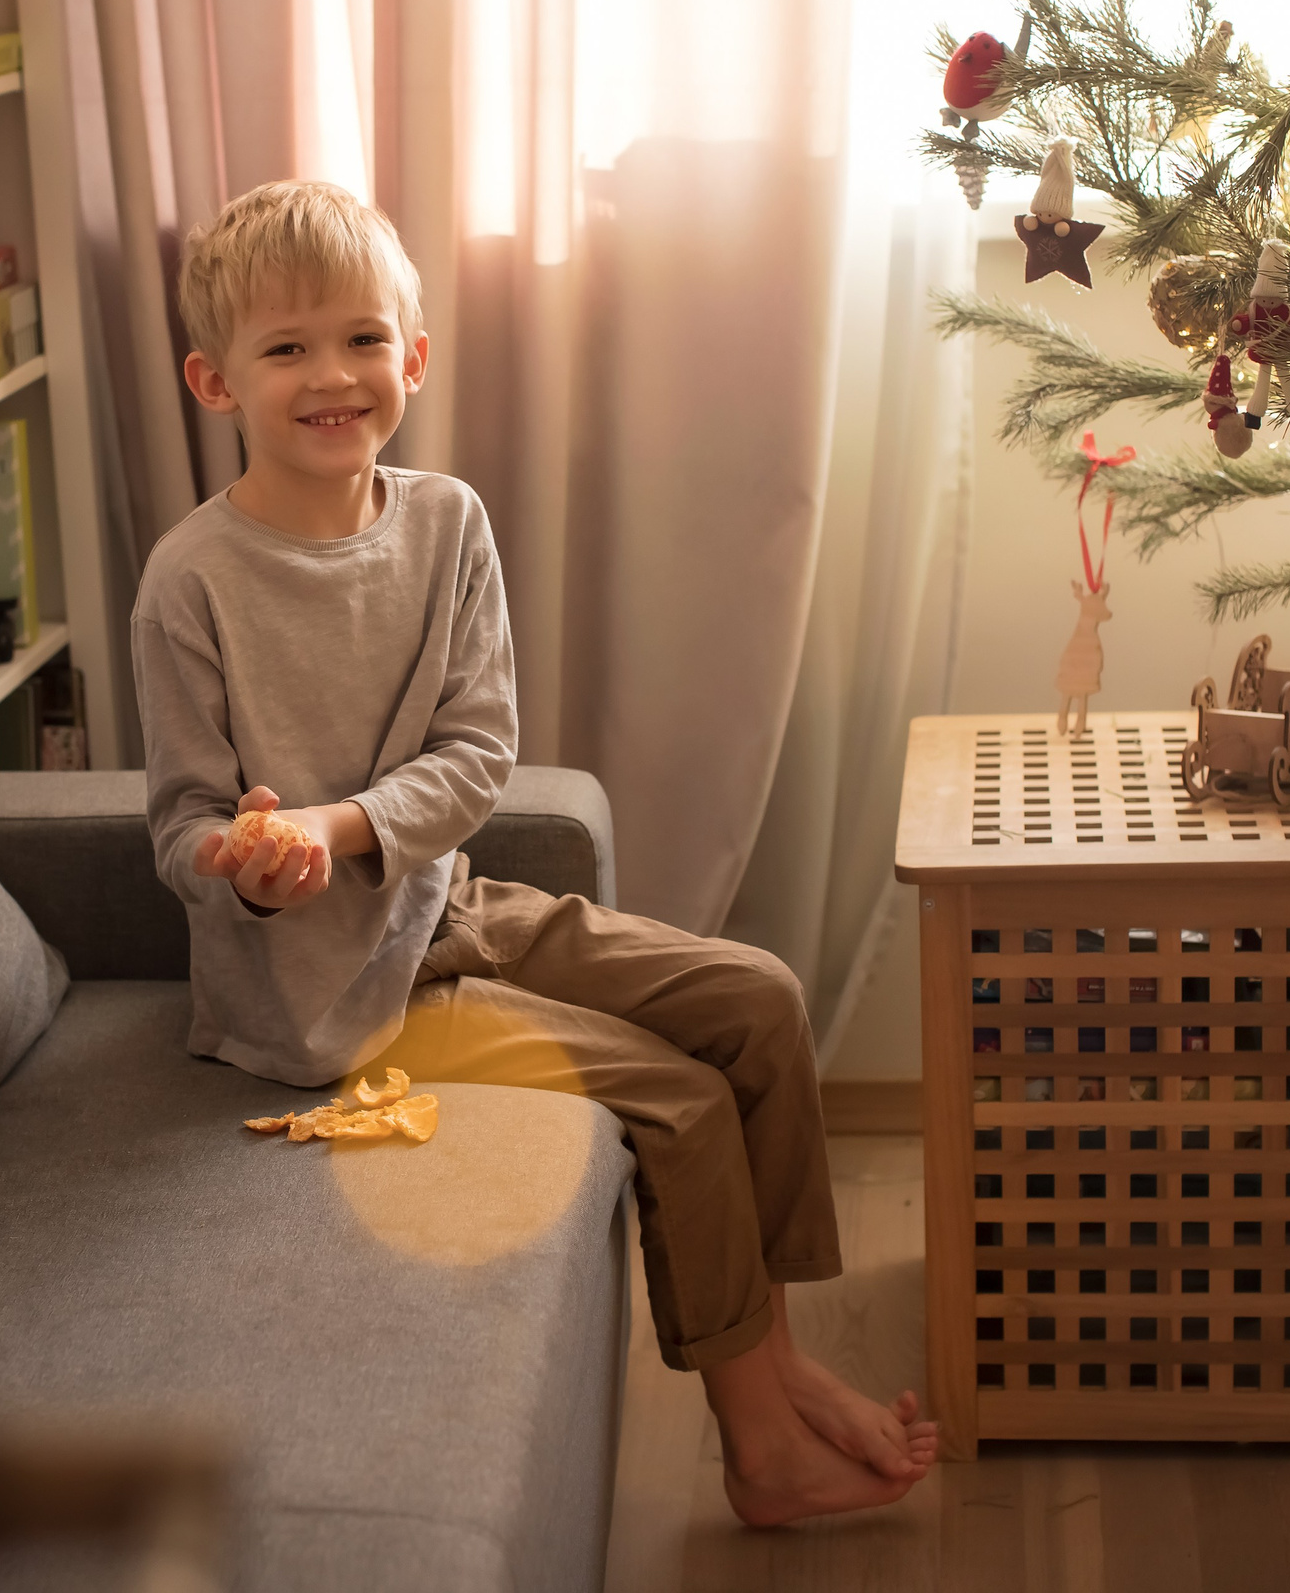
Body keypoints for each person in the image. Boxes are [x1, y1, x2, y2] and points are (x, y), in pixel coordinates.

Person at [133, 179, 935, 1526]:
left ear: (415, 356)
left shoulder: (447, 525)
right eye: (286, 350)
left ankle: (777, 1358)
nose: (333, 376)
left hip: (447, 904)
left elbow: (476, 756)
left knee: (759, 1000)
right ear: (217, 380)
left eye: (361, 340)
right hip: (331, 1001)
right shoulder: (192, 581)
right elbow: (179, 828)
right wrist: (248, 860)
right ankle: (763, 1448)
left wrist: (348, 829)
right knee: (675, 1100)